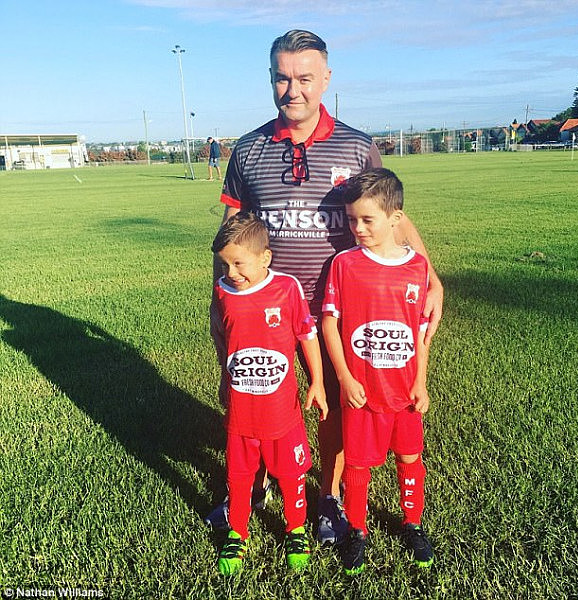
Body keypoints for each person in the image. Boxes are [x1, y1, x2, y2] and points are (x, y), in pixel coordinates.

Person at [207, 29, 444, 546]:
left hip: (341, 312)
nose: (293, 90)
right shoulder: (247, 152)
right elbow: (229, 235)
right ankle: (258, 484)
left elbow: (392, 218)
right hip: (263, 308)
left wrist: (430, 273)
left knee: (334, 407)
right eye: (282, 77)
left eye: (305, 78)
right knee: (255, 395)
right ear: (271, 79)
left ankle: (327, 496)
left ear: (327, 80)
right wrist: (221, 305)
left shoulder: (357, 147)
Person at [322, 168, 434, 575]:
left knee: (410, 456)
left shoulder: (417, 269)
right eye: (352, 219)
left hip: (403, 392)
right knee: (357, 465)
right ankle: (357, 530)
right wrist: (346, 378)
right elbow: (329, 324)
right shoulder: (344, 264)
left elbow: (420, 332)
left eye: (367, 219)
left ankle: (412, 523)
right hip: (362, 392)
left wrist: (421, 381)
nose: (357, 228)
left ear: (395, 218)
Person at [211, 212, 328, 575]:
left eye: (239, 263)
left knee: (290, 472)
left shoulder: (286, 289)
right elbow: (221, 336)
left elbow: (308, 336)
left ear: (265, 258)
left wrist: (318, 382)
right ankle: (237, 532)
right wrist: (223, 376)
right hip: (241, 412)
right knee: (239, 474)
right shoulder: (223, 290)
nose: (232, 273)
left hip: (282, 411)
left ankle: (295, 529)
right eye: (226, 264)